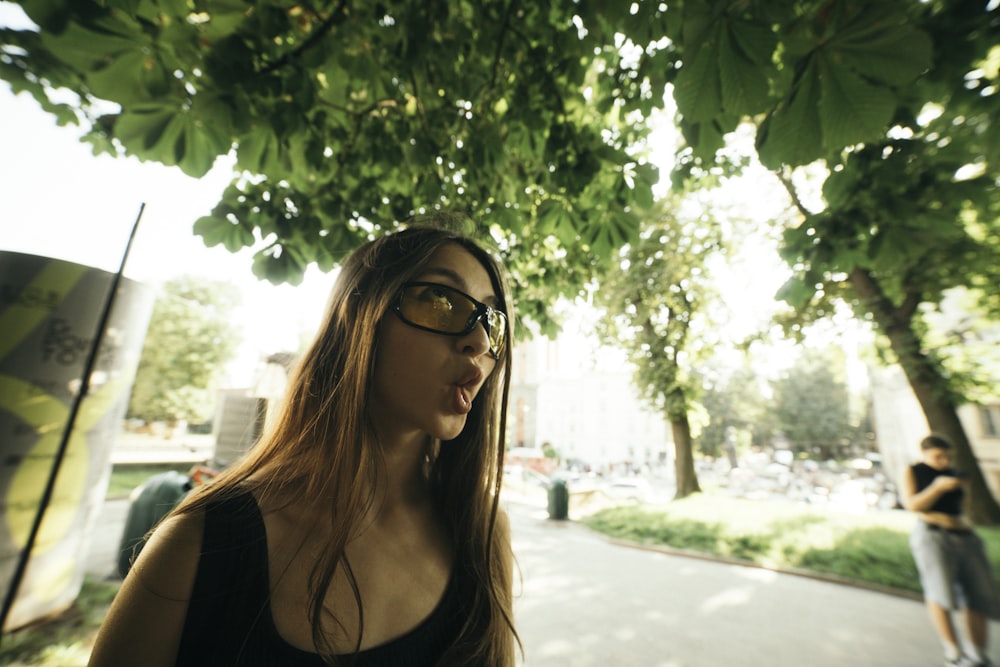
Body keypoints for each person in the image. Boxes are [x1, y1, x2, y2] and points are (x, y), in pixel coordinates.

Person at [89, 221, 521, 666]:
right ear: (357, 317)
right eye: (440, 301)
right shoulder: (199, 544)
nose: (480, 341)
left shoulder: (482, 533)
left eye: (493, 323)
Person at [902, 433, 1000, 667]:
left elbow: (960, 506)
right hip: (934, 536)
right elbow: (912, 505)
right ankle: (953, 653)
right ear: (925, 452)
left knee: (980, 595)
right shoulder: (915, 471)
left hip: (966, 537)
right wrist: (937, 488)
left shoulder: (952, 474)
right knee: (940, 594)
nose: (944, 461)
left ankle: (977, 655)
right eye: (938, 456)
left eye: (947, 457)